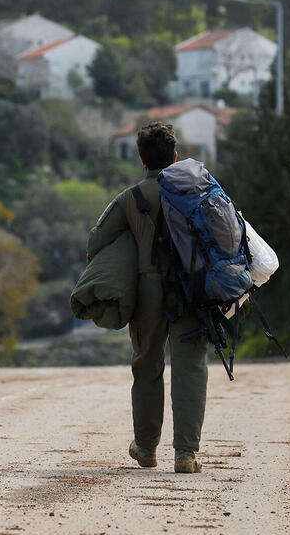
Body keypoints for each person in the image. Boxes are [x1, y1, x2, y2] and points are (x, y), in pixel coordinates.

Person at [86, 122, 208, 474]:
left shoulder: (130, 198)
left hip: (150, 290)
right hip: (193, 290)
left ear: (142, 159)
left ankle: (146, 448)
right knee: (190, 368)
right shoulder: (198, 189)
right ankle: (185, 455)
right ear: (175, 156)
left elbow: (95, 244)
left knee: (147, 366)